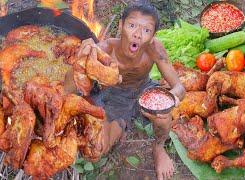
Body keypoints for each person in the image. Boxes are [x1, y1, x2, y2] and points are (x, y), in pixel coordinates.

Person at [73, 1, 185, 179]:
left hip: (144, 89)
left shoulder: (155, 49)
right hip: (113, 97)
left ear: (153, 35)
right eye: (132, 25)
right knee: (98, 150)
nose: (138, 35)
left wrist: (168, 100)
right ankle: (121, 124)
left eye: (146, 30)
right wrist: (80, 60)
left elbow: (179, 87)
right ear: (121, 25)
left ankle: (158, 147)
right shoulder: (105, 50)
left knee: (164, 118)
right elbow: (74, 82)